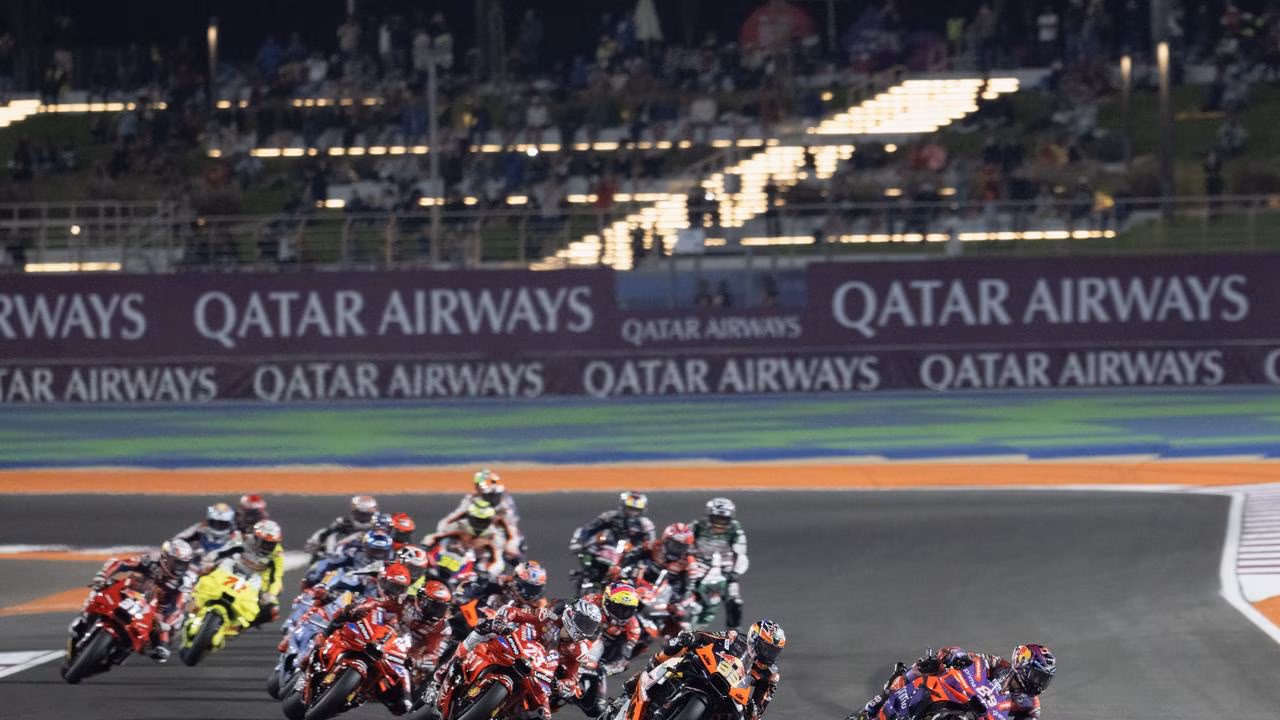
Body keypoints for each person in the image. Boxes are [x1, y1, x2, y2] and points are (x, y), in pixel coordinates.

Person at [620, 619, 784, 720]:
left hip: (732, 695)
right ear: (755, 640)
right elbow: (710, 636)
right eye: (767, 648)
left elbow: (759, 708)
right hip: (710, 672)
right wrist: (694, 637)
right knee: (678, 655)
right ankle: (641, 678)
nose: (769, 654)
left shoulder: (770, 675)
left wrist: (753, 709)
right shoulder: (735, 637)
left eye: (774, 651)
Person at [849, 644, 1056, 720]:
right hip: (958, 692)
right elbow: (968, 656)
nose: (1039, 684)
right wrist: (954, 655)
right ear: (1022, 665)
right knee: (927, 666)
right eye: (1037, 677)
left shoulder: (1030, 704)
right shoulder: (998, 664)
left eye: (1044, 680)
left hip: (979, 715)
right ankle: (878, 702)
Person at [71, 539, 197, 662]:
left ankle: (159, 645)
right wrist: (103, 575)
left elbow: (179, 608)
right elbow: (121, 563)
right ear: (165, 558)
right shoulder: (150, 560)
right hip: (132, 593)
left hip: (157, 612)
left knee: (171, 630)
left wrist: (167, 623)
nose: (179, 568)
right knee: (102, 587)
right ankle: (84, 617)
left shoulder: (184, 583)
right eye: (176, 563)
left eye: (183, 564)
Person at [321, 563, 419, 715]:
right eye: (390, 586)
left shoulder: (405, 603)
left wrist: (412, 656)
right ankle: (322, 641)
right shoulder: (367, 581)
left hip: (383, 643)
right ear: (381, 581)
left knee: (401, 704)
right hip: (359, 626)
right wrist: (348, 605)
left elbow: (411, 636)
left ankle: (366, 693)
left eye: (398, 589)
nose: (393, 592)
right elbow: (348, 583)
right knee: (337, 619)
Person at [489, 597, 605, 718]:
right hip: (515, 649)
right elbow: (511, 611)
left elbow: (573, 683)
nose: (584, 628)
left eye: (589, 626)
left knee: (544, 715)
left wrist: (560, 684)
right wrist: (501, 621)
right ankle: (472, 648)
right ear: (572, 613)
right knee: (485, 628)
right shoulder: (547, 616)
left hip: (538, 674)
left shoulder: (580, 650)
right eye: (582, 621)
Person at [435, 469, 524, 560]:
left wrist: (496, 541)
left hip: (495, 535)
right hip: (472, 532)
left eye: (479, 485)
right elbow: (453, 517)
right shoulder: (471, 499)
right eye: (477, 485)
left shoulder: (505, 504)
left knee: (511, 552)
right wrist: (444, 532)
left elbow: (511, 528)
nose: (477, 488)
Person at [211, 519, 284, 625]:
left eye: (272, 543)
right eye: (265, 542)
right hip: (234, 567)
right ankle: (196, 600)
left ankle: (239, 624)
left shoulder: (277, 554)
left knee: (272, 608)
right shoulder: (243, 538)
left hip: (254, 577)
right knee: (210, 568)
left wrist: (270, 594)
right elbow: (223, 550)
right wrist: (210, 560)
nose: (269, 546)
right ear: (256, 538)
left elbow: (277, 576)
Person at [691, 497, 749, 629]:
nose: (719, 524)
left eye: (723, 520)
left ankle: (734, 632)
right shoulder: (697, 526)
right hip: (699, 565)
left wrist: (735, 573)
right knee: (689, 596)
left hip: (724, 568)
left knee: (734, 602)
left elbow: (740, 553)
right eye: (716, 519)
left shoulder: (735, 529)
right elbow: (685, 542)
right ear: (709, 515)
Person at [423, 499, 507, 577]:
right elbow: (433, 537)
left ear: (490, 520)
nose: (480, 523)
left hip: (475, 568)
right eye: (477, 520)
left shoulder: (495, 536)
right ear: (470, 517)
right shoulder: (459, 526)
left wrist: (488, 572)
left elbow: (499, 561)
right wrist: (425, 547)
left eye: (483, 521)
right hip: (450, 557)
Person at [303, 529, 395, 588]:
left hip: (379, 598)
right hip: (351, 592)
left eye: (382, 551)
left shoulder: (395, 563)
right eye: (374, 550)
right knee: (339, 571)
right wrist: (317, 575)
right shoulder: (354, 553)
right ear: (365, 548)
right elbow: (331, 562)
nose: (378, 555)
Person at [571, 491, 656, 551]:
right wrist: (578, 541)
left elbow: (651, 544)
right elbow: (590, 528)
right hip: (608, 548)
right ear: (623, 506)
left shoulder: (646, 524)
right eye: (630, 508)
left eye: (636, 509)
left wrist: (641, 549)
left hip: (631, 555)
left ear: (642, 510)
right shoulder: (610, 516)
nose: (632, 512)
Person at [305, 495, 380, 559]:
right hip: (342, 554)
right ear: (354, 512)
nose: (364, 518)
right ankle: (329, 556)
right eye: (362, 514)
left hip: (369, 554)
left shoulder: (380, 524)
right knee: (330, 534)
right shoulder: (343, 522)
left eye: (367, 515)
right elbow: (326, 532)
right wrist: (316, 541)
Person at [173, 503, 240, 561]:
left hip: (221, 564)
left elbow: (239, 552)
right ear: (209, 520)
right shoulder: (200, 527)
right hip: (196, 561)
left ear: (230, 523)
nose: (218, 526)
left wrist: (217, 555)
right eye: (215, 523)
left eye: (222, 524)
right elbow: (177, 538)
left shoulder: (235, 534)